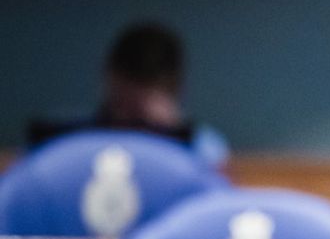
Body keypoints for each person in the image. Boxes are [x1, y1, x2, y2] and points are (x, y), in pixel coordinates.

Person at [27, 22, 229, 167]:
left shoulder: (202, 148)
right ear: (108, 79)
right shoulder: (64, 140)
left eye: (139, 110)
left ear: (175, 89)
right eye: (122, 104)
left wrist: (163, 133)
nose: (127, 120)